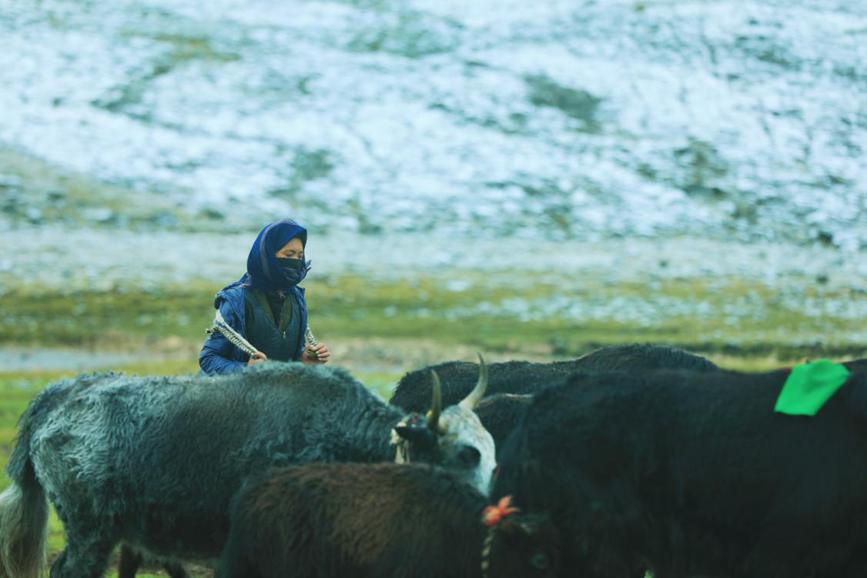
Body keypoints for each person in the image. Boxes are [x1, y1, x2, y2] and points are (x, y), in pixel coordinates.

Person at [199, 219, 331, 374]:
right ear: (267, 255)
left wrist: (305, 360)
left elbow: (288, 357)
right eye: (289, 254)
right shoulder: (236, 300)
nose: (296, 261)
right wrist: (245, 369)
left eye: (299, 255)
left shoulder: (296, 297)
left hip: (277, 393)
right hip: (235, 393)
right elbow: (208, 358)